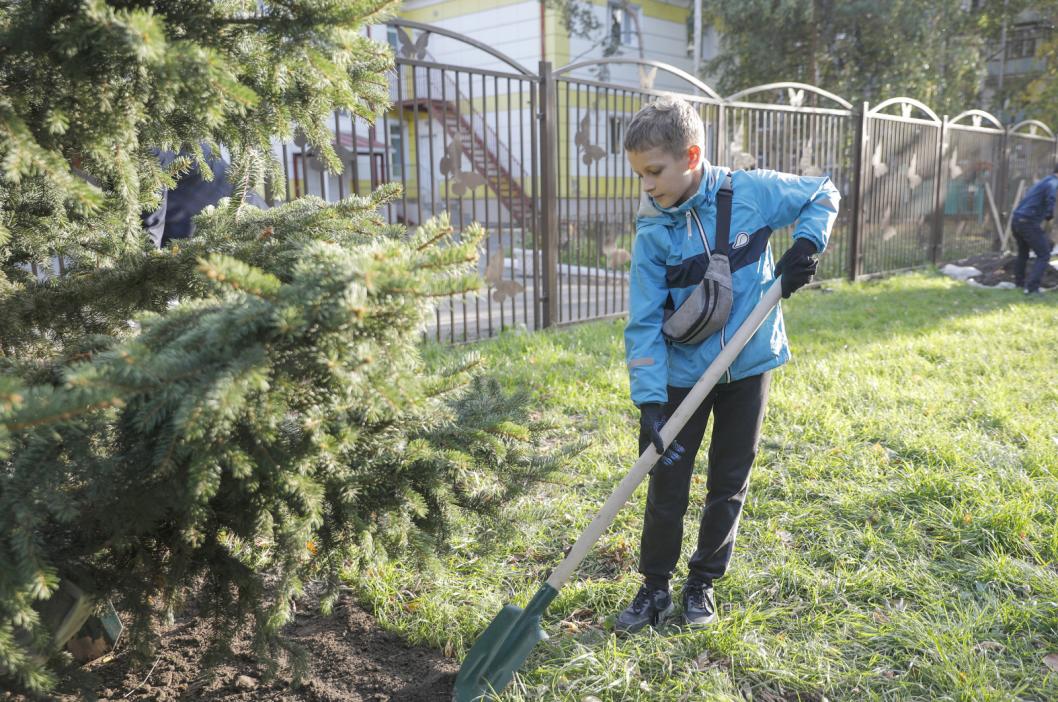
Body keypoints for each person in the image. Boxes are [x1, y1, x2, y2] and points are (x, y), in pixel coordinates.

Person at [615, 97, 840, 633]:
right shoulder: (653, 233)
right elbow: (644, 323)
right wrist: (650, 400)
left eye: (655, 171)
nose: (647, 186)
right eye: (639, 175)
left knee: (728, 479)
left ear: (691, 155)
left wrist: (807, 243)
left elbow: (822, 192)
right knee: (666, 484)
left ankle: (702, 584)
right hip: (679, 379)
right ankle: (654, 586)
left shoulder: (749, 193)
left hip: (748, 367)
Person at [1010, 165, 1058, 295]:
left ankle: (1019, 284)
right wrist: (1049, 215)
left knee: (1023, 253)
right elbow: (1051, 198)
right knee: (1044, 254)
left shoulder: (1044, 181)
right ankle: (1031, 289)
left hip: (1017, 220)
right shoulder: (1054, 183)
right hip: (1028, 222)